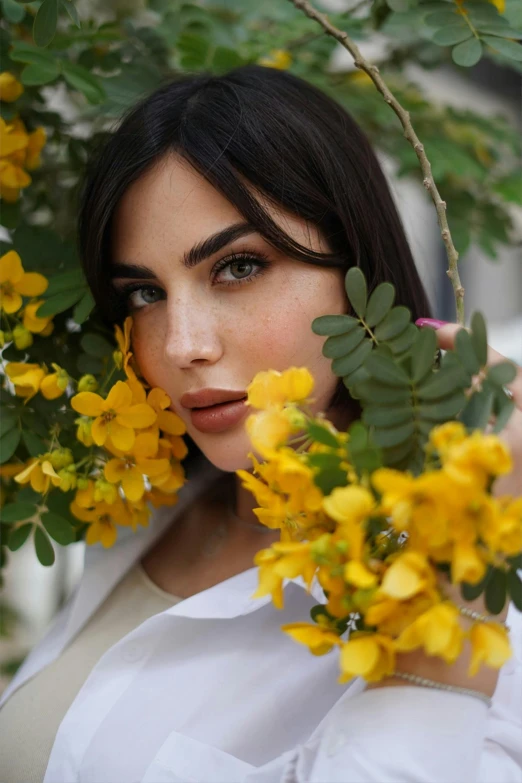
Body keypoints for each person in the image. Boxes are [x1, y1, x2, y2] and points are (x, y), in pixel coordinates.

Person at [0, 64, 520, 783]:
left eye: (238, 266)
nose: (182, 344)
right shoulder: (143, 506)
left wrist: (437, 651)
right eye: (144, 292)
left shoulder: (471, 606)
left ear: (357, 274)